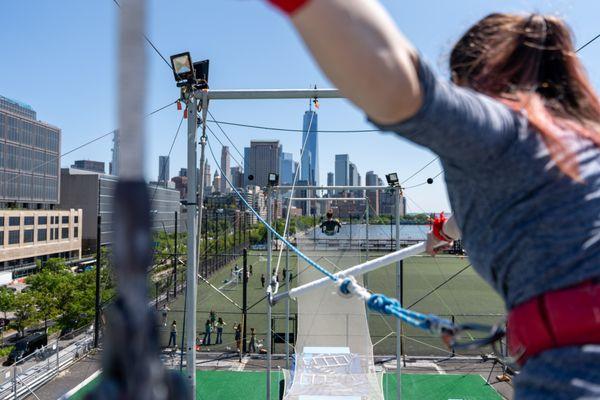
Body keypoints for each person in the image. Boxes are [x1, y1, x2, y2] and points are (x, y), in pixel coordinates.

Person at [267, 2, 600, 399]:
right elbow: (503, 207)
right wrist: (444, 231)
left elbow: (394, 84)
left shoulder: (505, 129)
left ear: (479, 81)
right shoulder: (579, 145)